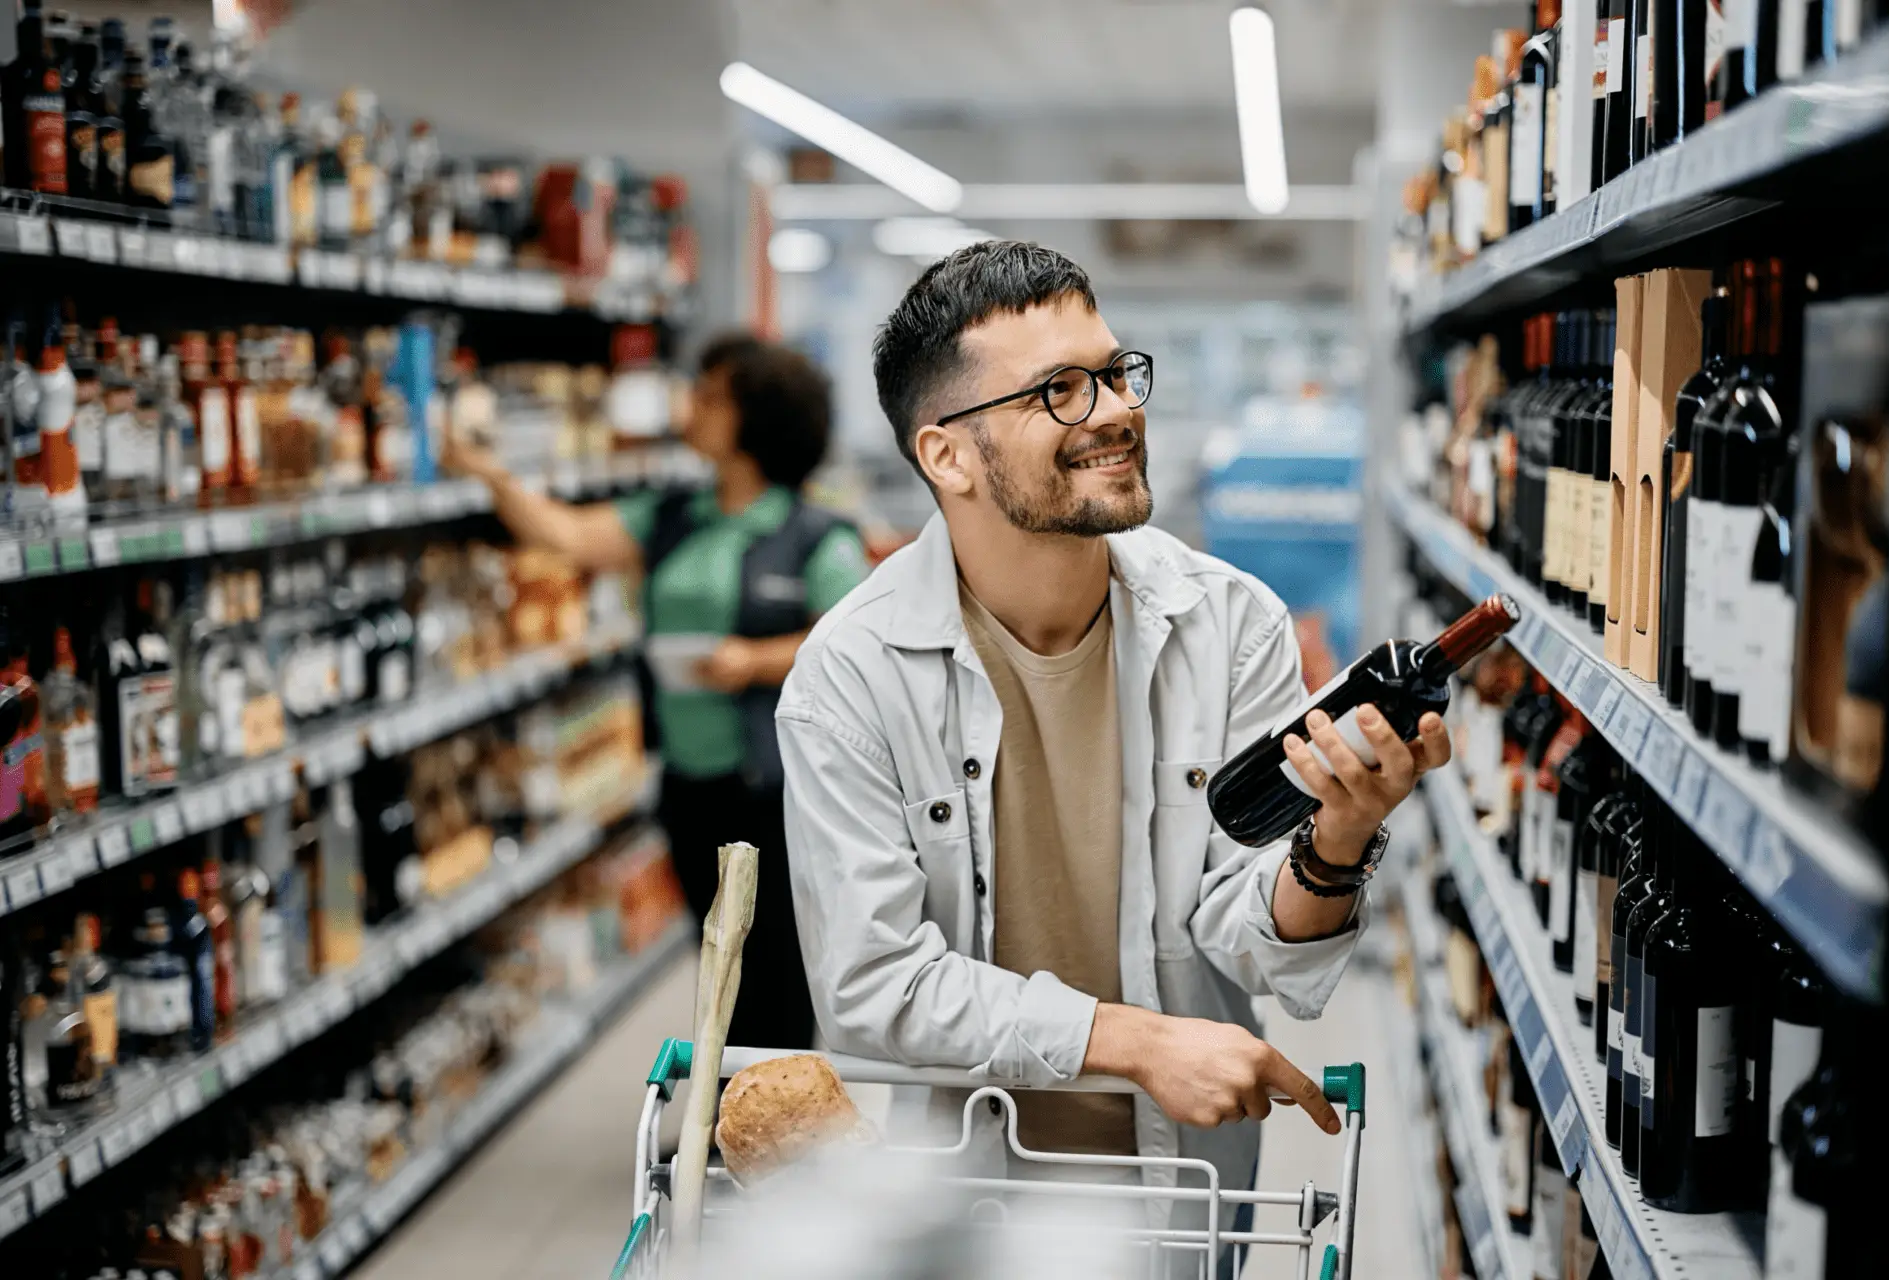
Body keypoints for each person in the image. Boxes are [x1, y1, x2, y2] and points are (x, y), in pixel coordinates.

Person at [776, 242, 1451, 1247]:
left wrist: (1337, 837)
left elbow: (1246, 932)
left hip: (1177, 1201)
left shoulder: (1231, 626)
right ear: (945, 454)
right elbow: (873, 980)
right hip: (947, 1207)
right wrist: (1131, 1038)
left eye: (1111, 372)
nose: (1113, 410)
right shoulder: (849, 680)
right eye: (1057, 390)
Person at [446, 332, 868, 1051]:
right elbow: (572, 535)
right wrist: (490, 476)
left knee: (775, 966)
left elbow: (852, 642)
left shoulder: (813, 536)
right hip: (688, 782)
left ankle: (781, 1129)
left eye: (710, 397)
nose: (689, 408)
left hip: (774, 788)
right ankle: (726, 1121)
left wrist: (755, 658)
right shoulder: (676, 514)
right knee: (715, 961)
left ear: (755, 420)